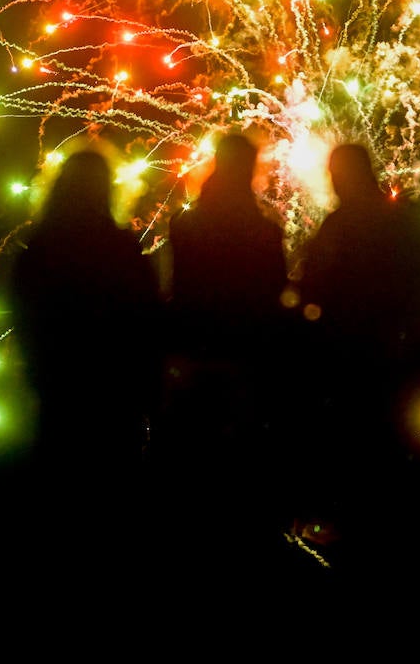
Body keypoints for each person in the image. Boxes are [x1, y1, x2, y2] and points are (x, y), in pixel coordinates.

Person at [292, 142, 420, 580]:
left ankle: (372, 569)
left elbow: (310, 300)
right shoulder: (408, 219)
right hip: (400, 365)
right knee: (403, 461)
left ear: (341, 177)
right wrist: (417, 326)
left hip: (356, 371)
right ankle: (409, 564)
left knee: (361, 469)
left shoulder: (338, 228)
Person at [8, 145, 164, 540]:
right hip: (114, 392)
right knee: (112, 500)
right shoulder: (122, 250)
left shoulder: (40, 250)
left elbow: (25, 318)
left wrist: (36, 371)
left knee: (59, 497)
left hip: (60, 387)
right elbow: (147, 320)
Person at [157, 132, 293, 549]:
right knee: (242, 476)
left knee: (194, 476)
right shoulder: (264, 233)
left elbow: (176, 293)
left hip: (195, 360)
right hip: (247, 364)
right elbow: (276, 300)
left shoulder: (188, 223)